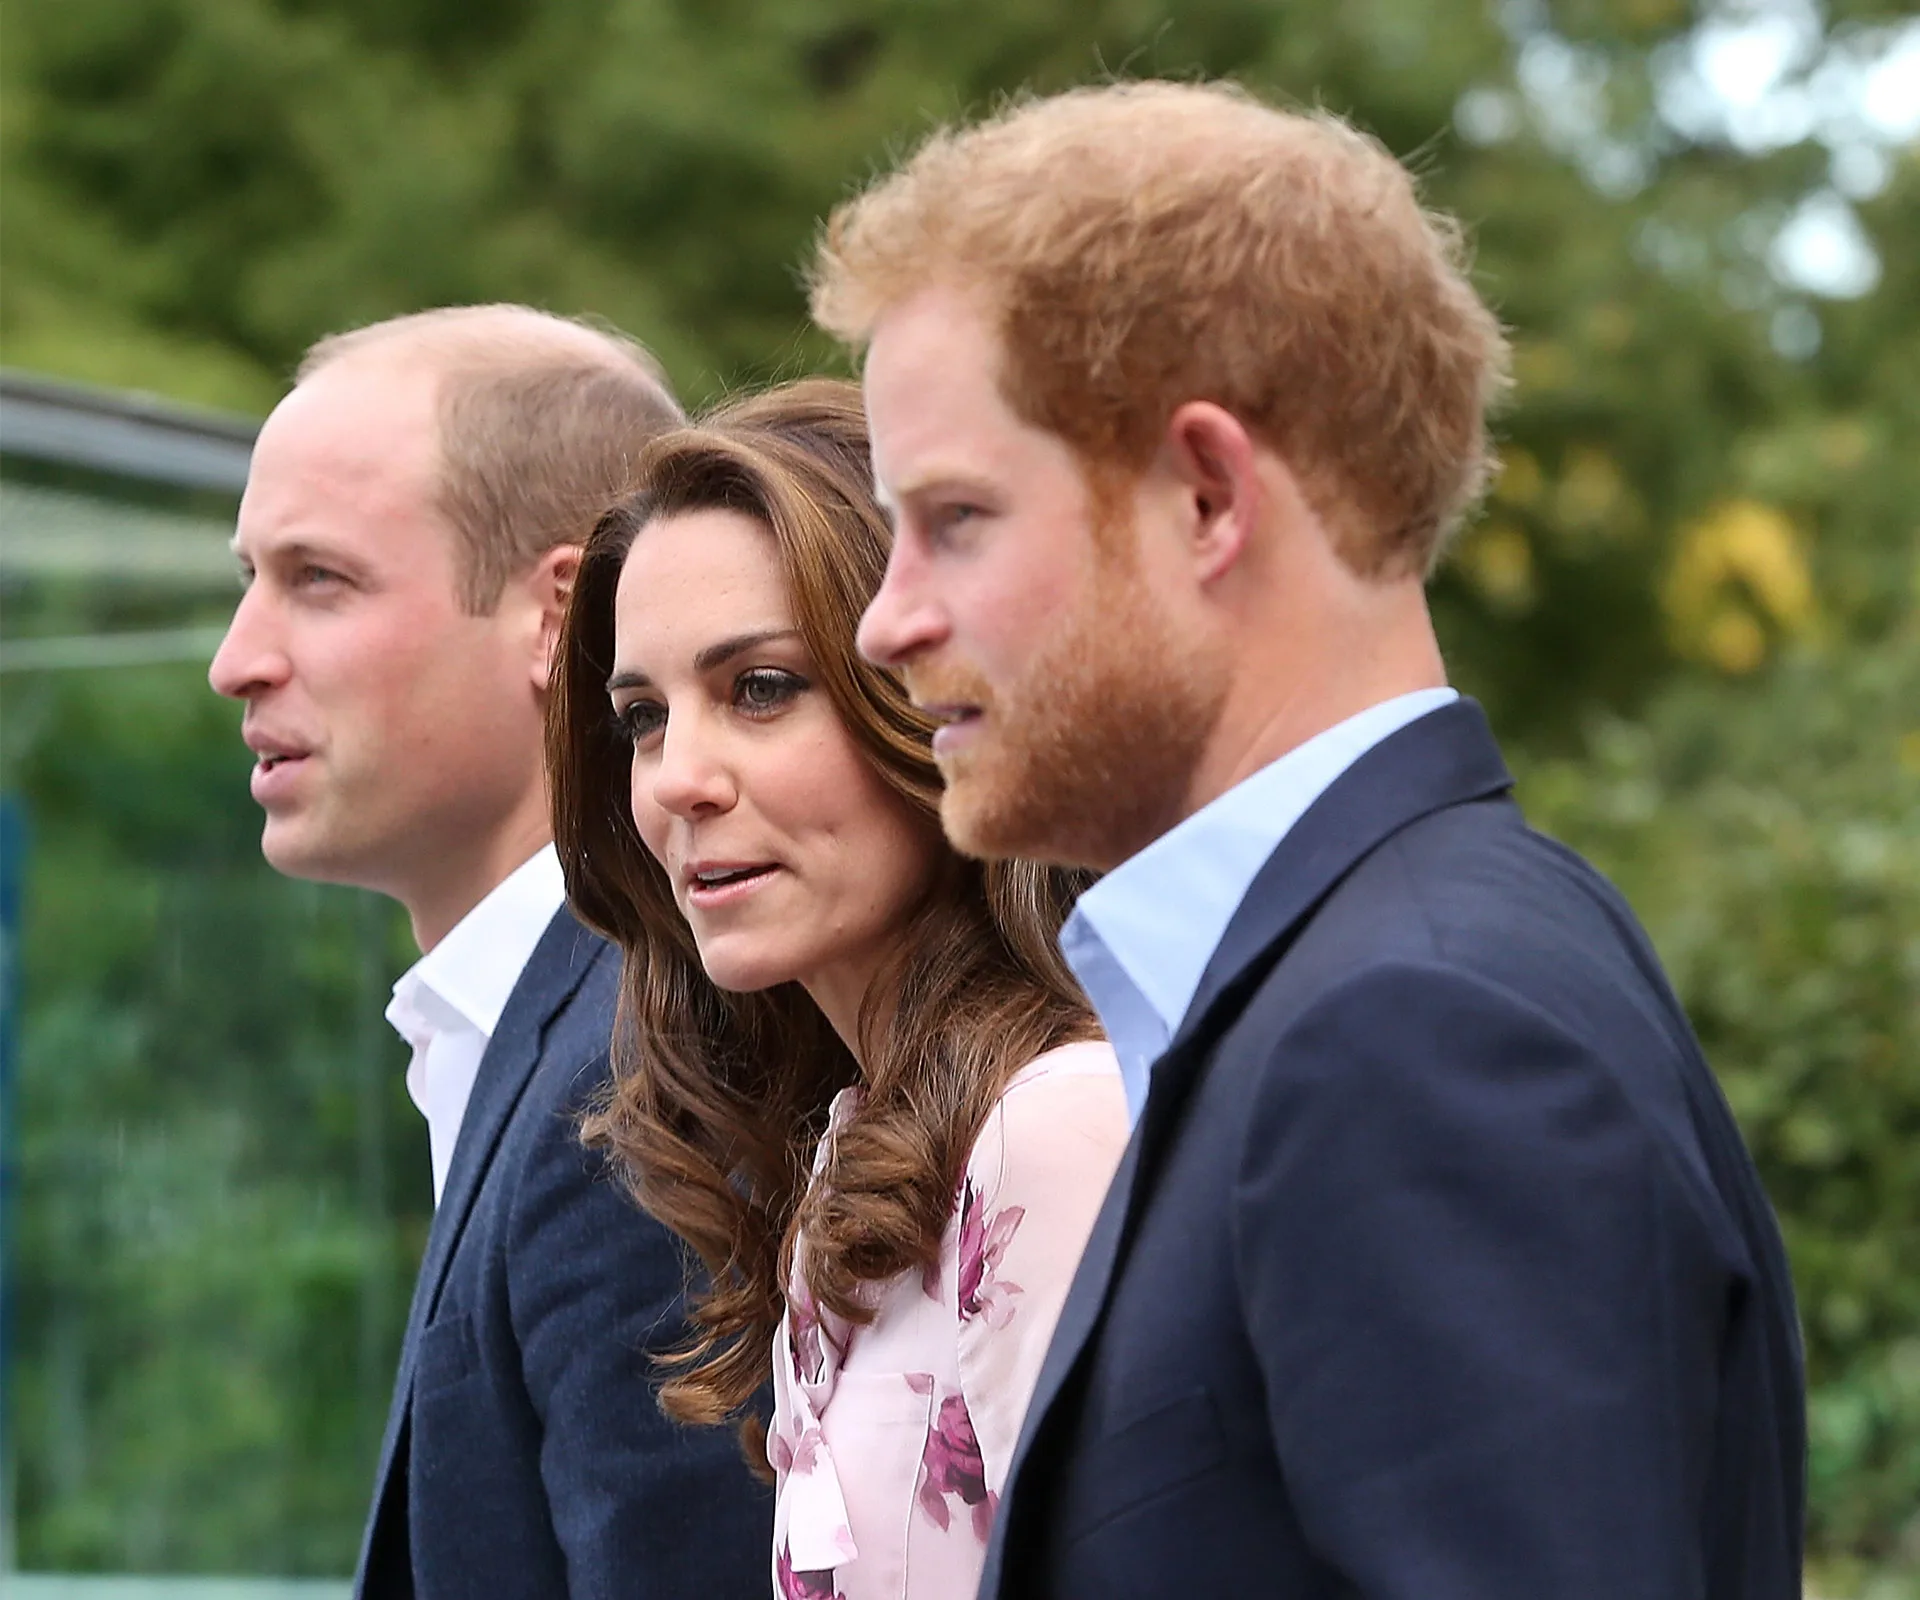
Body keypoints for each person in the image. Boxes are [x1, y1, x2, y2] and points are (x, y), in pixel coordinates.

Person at [813, 81, 1807, 1600]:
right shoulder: (1364, 984)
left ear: (1208, 495)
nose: (887, 621)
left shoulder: (1415, 1028)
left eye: (953, 519)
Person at [209, 304, 771, 1599]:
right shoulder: (563, 1033)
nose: (239, 659)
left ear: (560, 615)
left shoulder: (639, 1084)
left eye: (320, 580)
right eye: (250, 577)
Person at [544, 378, 1128, 1600]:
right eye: (644, 716)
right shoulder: (855, 1148)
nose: (678, 781)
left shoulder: (1056, 1126)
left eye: (760, 687)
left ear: (938, 699)